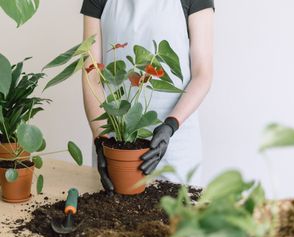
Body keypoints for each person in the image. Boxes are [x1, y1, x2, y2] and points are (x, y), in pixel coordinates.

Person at [81, 0, 214, 193]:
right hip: (115, 143)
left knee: (174, 219)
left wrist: (171, 125)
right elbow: (91, 74)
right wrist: (101, 140)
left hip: (175, 145)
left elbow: (203, 74)